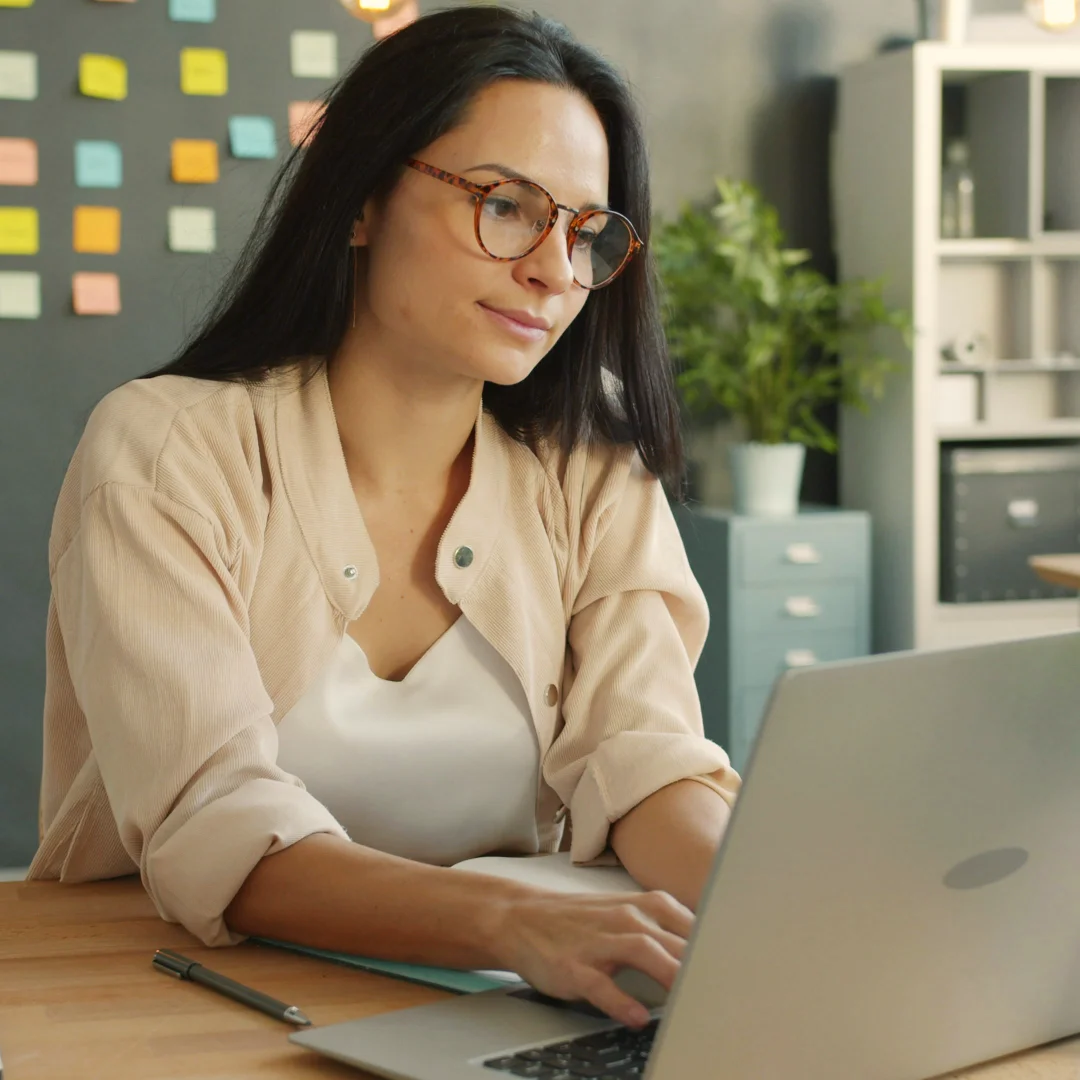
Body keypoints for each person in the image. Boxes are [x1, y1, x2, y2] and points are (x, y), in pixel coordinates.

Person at [29, 6, 739, 1029]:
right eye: (505, 206)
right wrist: (513, 923)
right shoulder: (166, 449)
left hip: (511, 1010)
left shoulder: (591, 463)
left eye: (586, 233)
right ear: (361, 199)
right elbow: (216, 821)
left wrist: (770, 908)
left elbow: (646, 763)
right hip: (193, 1004)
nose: (552, 269)